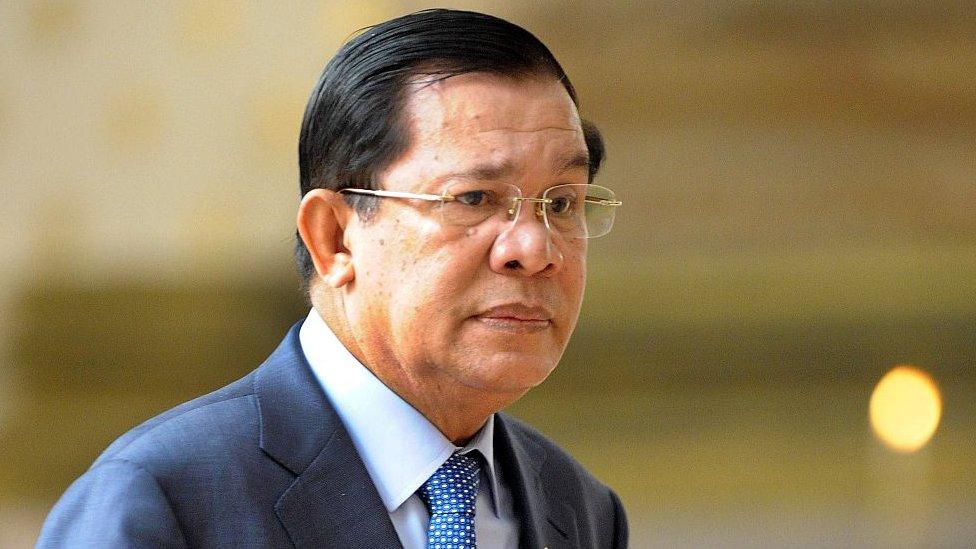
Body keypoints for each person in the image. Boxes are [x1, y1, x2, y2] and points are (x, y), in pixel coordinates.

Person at [38, 9, 627, 548]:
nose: (533, 248)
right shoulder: (162, 499)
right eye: (474, 198)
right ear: (334, 238)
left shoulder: (580, 510)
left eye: (562, 203)